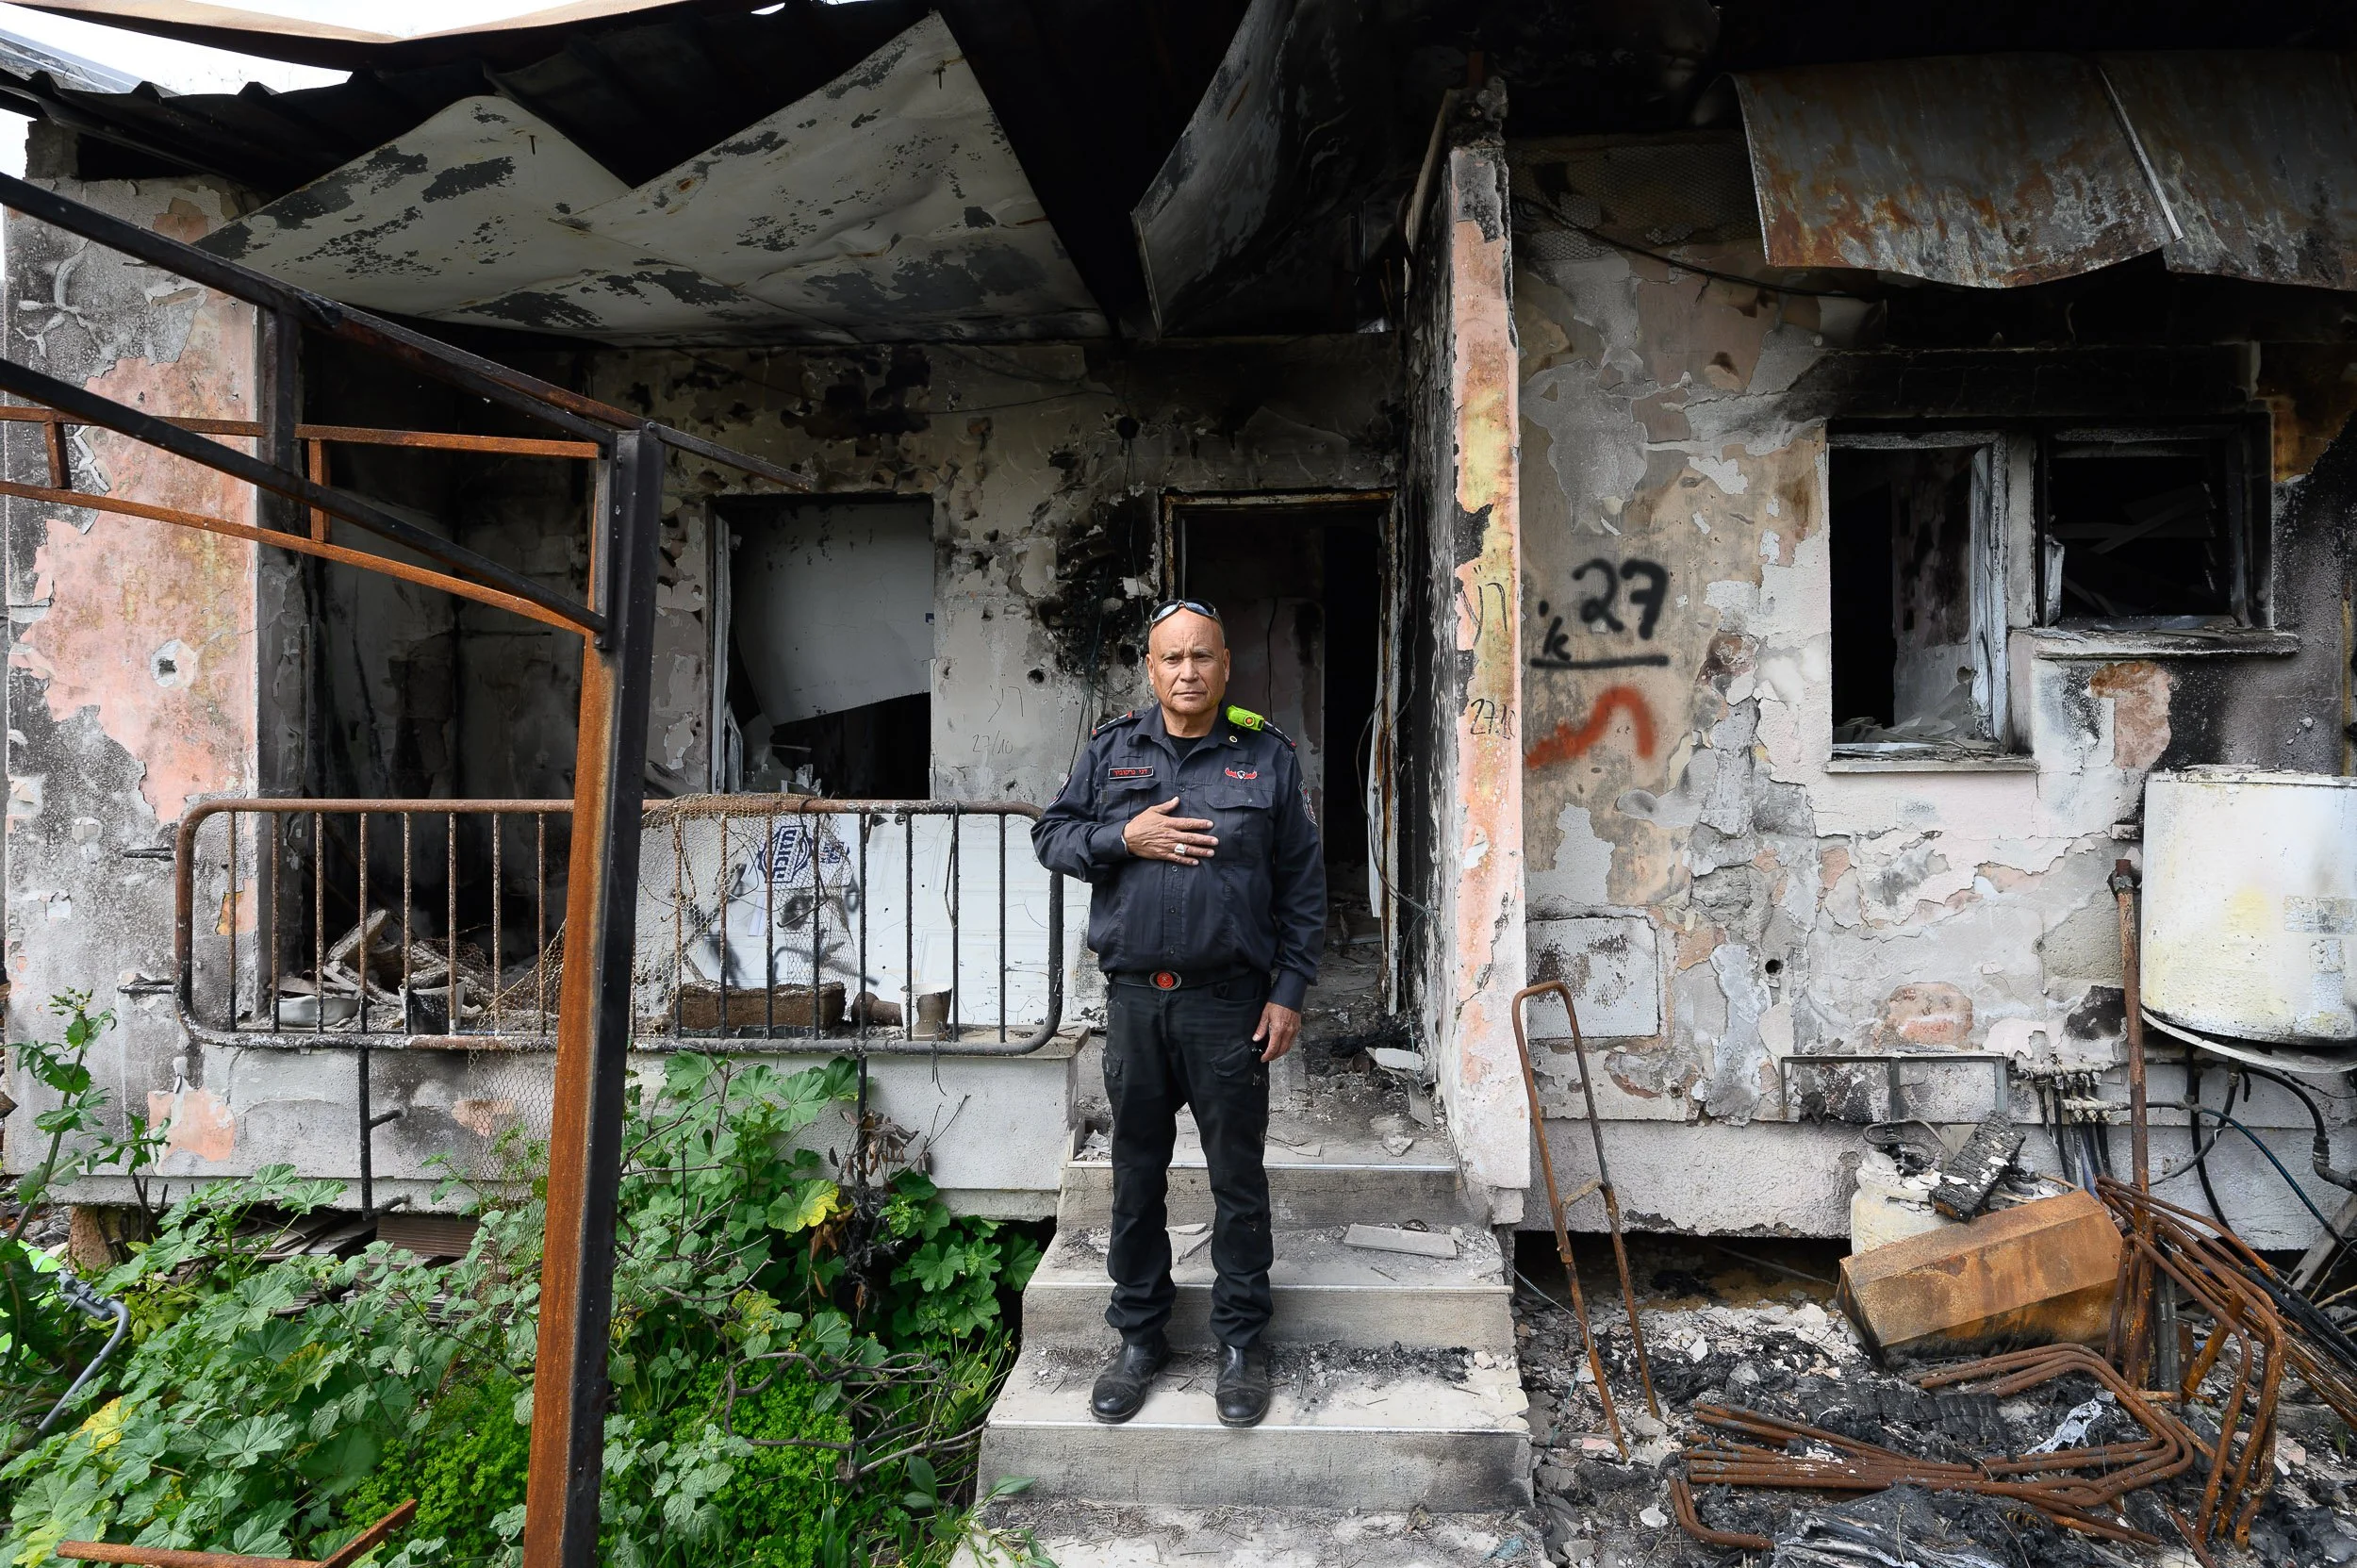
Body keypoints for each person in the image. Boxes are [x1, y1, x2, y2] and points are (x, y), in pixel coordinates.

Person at [1032, 600, 1326, 1428]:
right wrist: (1126, 836)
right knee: (1135, 1179)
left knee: (1238, 1181)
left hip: (1229, 1005)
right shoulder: (1111, 751)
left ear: (1226, 665)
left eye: (1202, 656)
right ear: (1151, 670)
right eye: (1172, 658)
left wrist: (1289, 991)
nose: (1187, 671)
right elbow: (1052, 837)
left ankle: (1240, 1343)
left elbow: (1304, 889)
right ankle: (1139, 1337)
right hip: (1134, 1005)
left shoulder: (1266, 758)